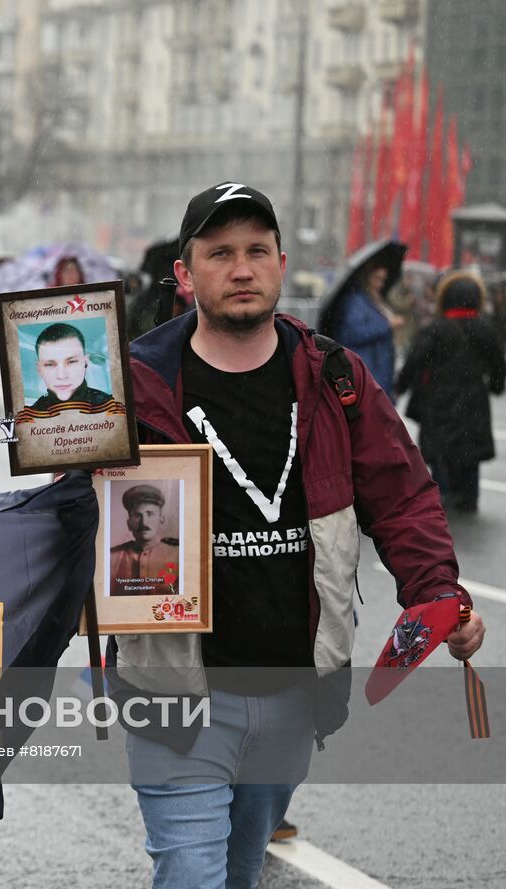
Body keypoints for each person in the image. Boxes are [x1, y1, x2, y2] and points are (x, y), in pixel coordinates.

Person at [113, 181, 483, 889]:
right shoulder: (134, 383)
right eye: (220, 253)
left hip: (293, 688)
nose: (242, 267)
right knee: (191, 874)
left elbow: (402, 496)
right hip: (173, 687)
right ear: (186, 275)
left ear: (282, 262)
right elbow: (70, 512)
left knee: (240, 870)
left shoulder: (335, 377)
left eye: (257, 250)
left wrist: (439, 592)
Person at [396, 271, 506, 513]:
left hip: (438, 398)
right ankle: (469, 496)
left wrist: (401, 385)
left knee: (439, 452)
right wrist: (496, 386)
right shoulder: (484, 328)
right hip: (474, 399)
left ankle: (442, 494)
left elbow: (415, 360)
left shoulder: (435, 329)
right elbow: (498, 363)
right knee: (470, 452)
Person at [332, 263, 401, 395]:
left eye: (383, 279)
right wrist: (387, 326)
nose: (380, 284)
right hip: (366, 371)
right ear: (367, 277)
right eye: (377, 278)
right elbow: (354, 332)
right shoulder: (356, 301)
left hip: (375, 372)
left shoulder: (372, 299)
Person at [108, 484, 180, 596]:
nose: (144, 523)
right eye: (137, 515)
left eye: (150, 514)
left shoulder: (178, 555)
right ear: (129, 523)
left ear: (161, 520)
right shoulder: (111, 557)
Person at [27, 323, 114, 411]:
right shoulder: (30, 417)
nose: (62, 376)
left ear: (85, 362)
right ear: (39, 369)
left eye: (71, 362)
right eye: (49, 364)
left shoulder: (111, 407)